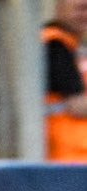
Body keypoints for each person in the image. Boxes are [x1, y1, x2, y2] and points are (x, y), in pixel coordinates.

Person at [43, 0, 87, 161]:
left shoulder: (72, 44)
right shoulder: (55, 44)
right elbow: (76, 104)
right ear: (59, 7)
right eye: (80, 9)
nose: (84, 15)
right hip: (69, 155)